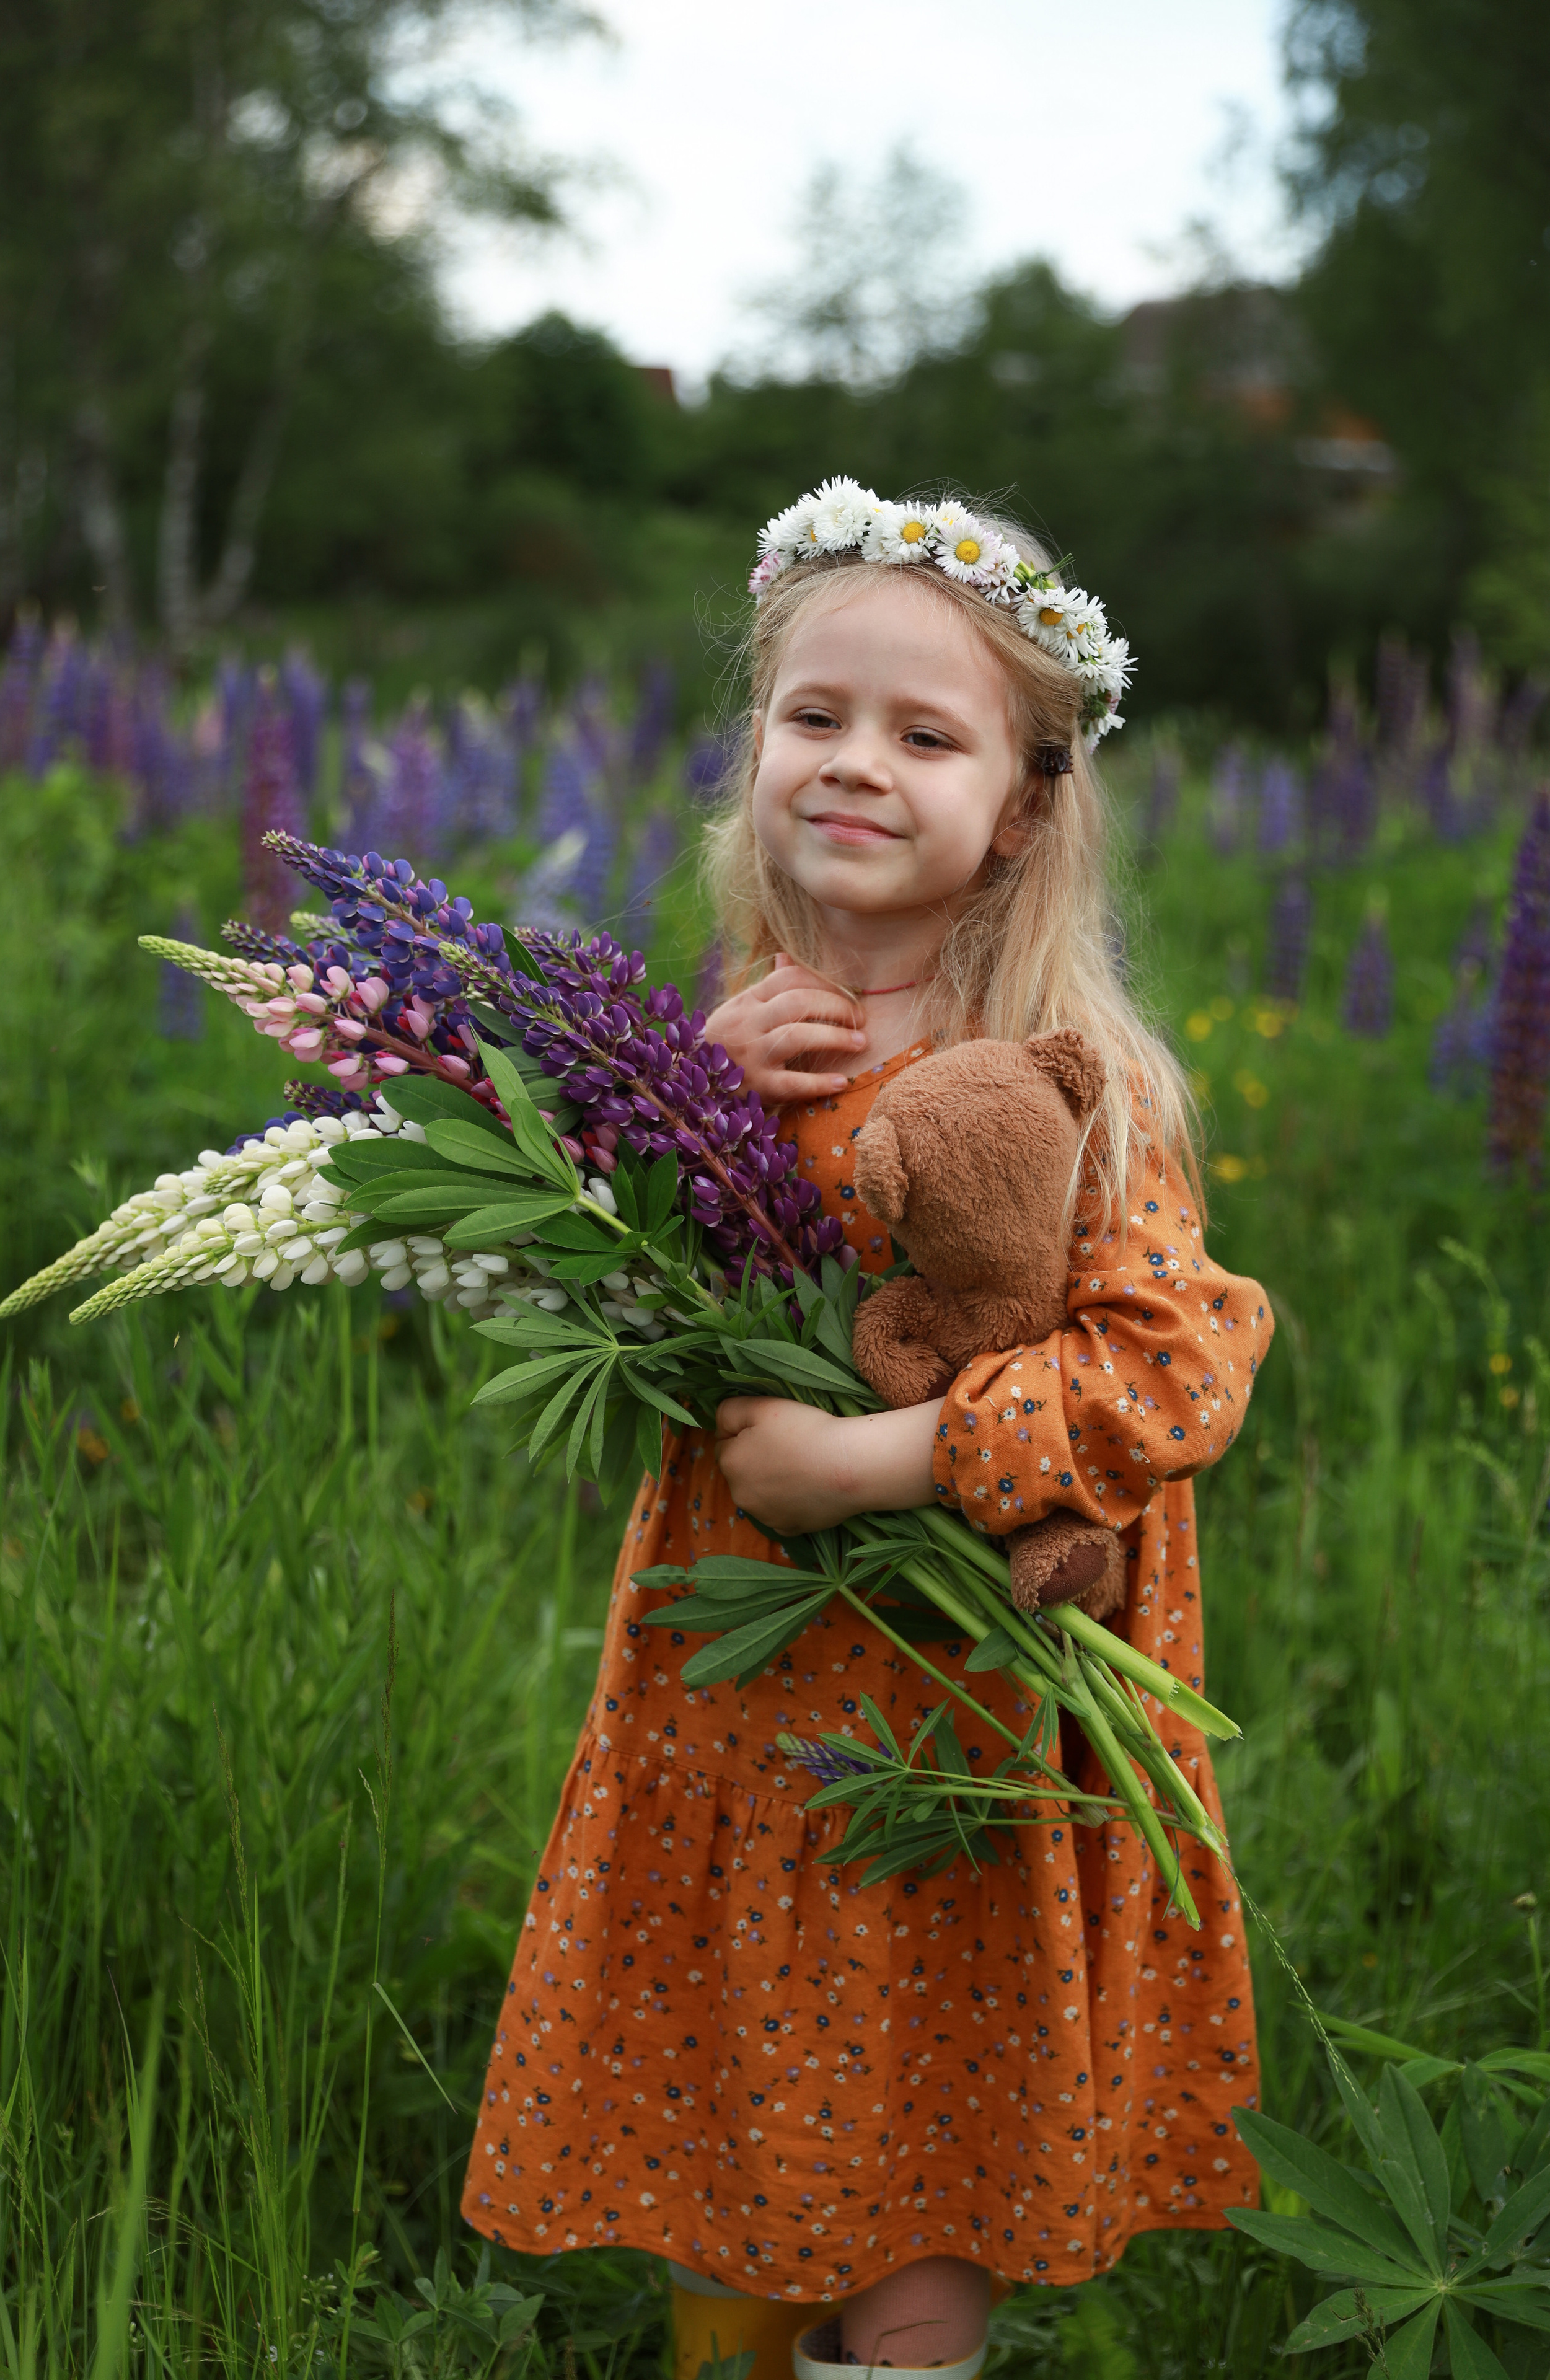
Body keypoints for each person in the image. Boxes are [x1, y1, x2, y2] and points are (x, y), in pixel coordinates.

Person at [461, 483, 1274, 2379]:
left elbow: (1177, 1369)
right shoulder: (719, 1043)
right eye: (814, 717)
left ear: (1028, 806)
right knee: (733, 2102)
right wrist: (656, 1120)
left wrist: (885, 1465)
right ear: (751, 751)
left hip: (960, 1732)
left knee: (923, 2172)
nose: (855, 763)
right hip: (738, 1704)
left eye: (928, 734)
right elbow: (605, 1319)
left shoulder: (1083, 1091)